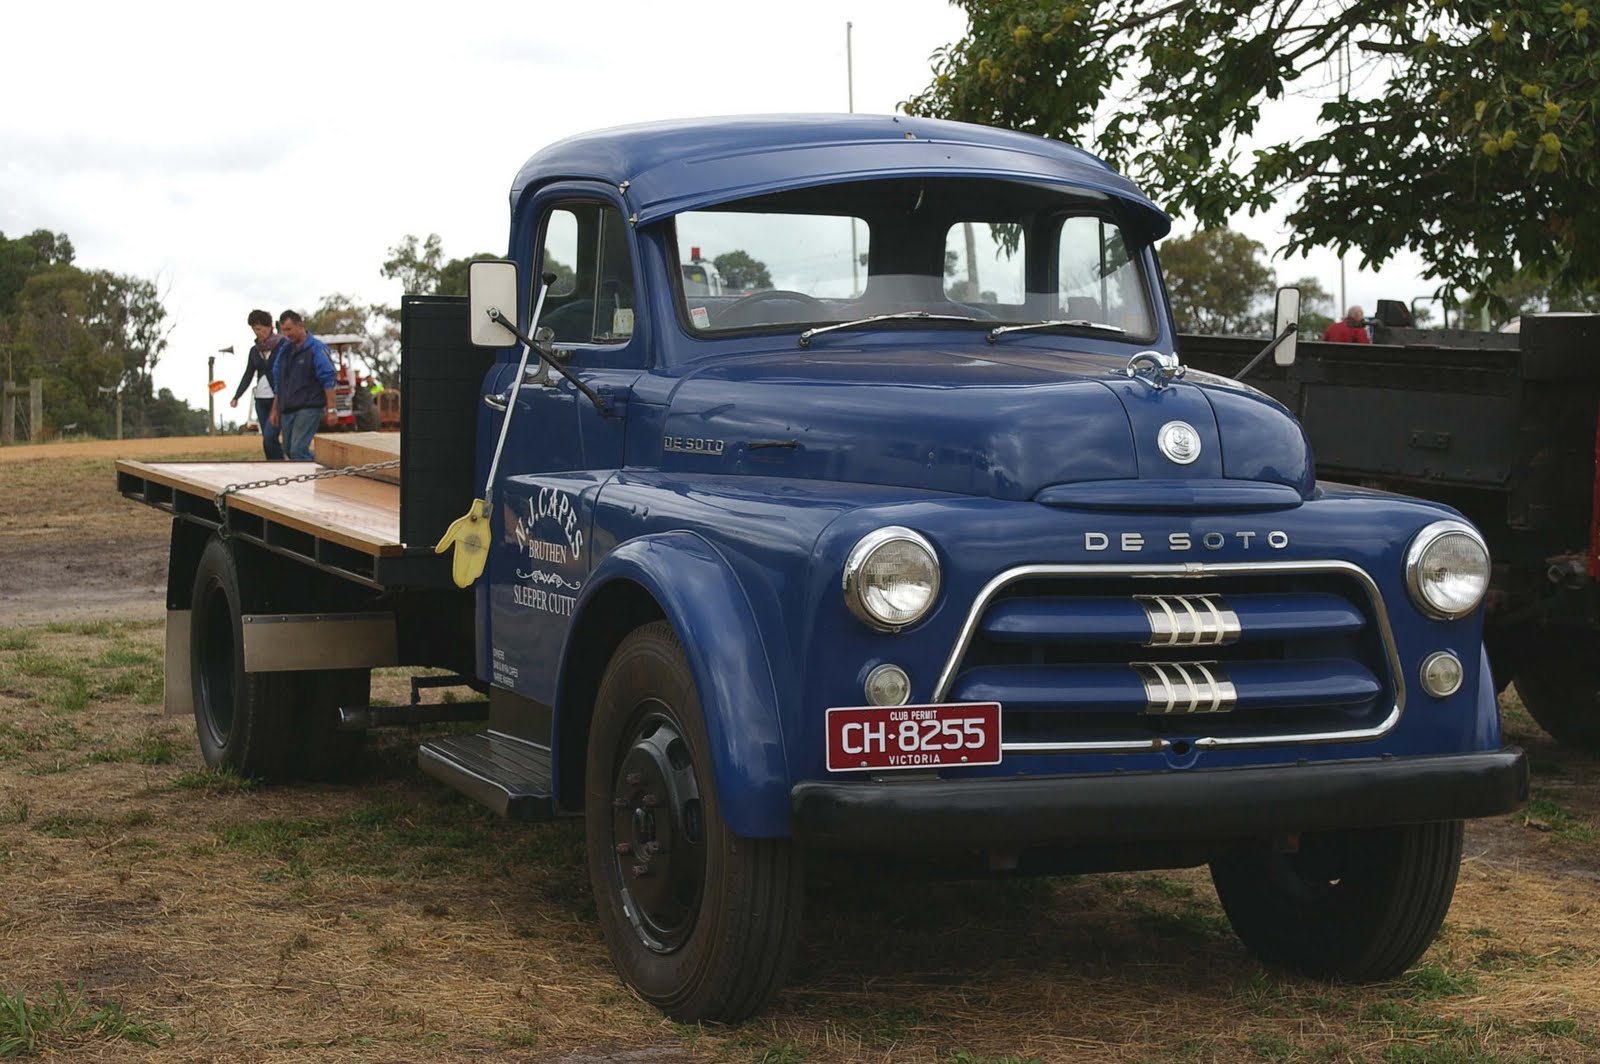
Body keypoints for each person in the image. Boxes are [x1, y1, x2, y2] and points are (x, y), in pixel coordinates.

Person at [270, 310, 337, 460]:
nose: (286, 334)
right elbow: (278, 381)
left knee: (298, 450)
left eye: (289, 329)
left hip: (309, 406)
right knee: (288, 449)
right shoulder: (284, 351)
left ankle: (322, 474)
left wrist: (331, 409)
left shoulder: (316, 349)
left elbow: (328, 378)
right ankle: (320, 464)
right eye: (283, 330)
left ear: (300, 325)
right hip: (287, 408)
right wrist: (275, 410)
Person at [229, 309, 288, 460]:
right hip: (261, 399)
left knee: (270, 437)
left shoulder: (282, 345)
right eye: (254, 330)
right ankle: (275, 466)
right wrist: (237, 396)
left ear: (269, 327)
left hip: (278, 398)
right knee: (268, 440)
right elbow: (248, 374)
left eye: (259, 329)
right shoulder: (254, 350)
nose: (256, 333)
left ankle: (281, 464)